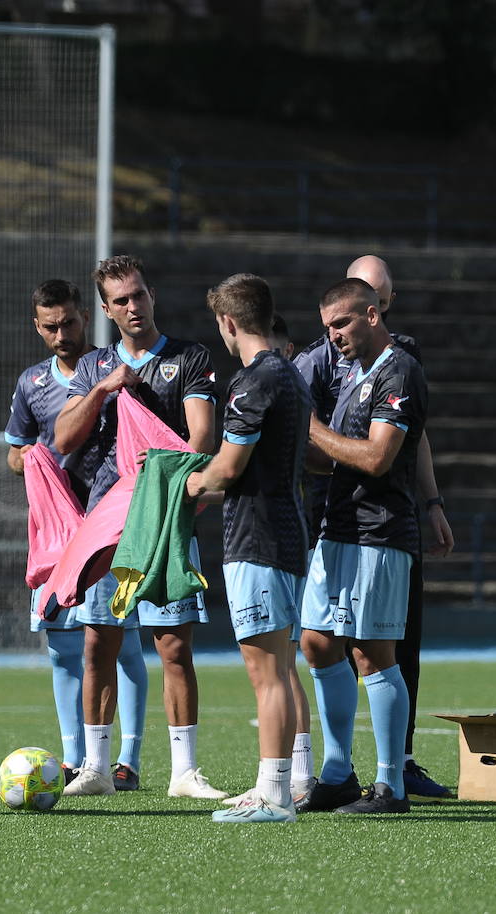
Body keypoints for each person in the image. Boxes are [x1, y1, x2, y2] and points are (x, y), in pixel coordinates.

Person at [55, 254, 227, 800]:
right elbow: (62, 438)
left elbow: (201, 439)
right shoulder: (91, 366)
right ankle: (97, 769)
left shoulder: (189, 357)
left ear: (151, 294)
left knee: (174, 646)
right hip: (106, 526)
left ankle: (184, 772)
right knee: (97, 646)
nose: (133, 306)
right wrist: (104, 389)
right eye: (120, 300)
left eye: (139, 295)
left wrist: (167, 492)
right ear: (105, 309)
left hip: (164, 521)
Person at [4, 279, 150, 787]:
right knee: (63, 648)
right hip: (58, 528)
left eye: (68, 322)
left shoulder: (114, 366)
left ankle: (127, 759)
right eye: (50, 326)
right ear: (37, 326)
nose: (61, 333)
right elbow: (15, 448)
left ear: (86, 316)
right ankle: (74, 757)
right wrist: (27, 460)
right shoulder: (31, 383)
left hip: (110, 521)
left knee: (122, 643)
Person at [299, 277, 428, 814]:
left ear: (372, 315)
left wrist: (309, 426)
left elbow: (376, 458)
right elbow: (329, 457)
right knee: (317, 641)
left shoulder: (399, 370)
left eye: (341, 324)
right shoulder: (354, 374)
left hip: (380, 529)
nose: (333, 337)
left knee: (372, 654)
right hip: (340, 524)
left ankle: (390, 783)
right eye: (327, 328)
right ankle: (336, 773)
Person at [187, 274, 312, 823]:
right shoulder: (291, 374)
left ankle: (273, 794)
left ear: (229, 322)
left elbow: (229, 467)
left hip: (257, 541)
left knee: (266, 675)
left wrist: (191, 485)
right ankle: (284, 786)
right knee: (282, 670)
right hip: (285, 533)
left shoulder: (251, 380)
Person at [345, 254, 455, 799]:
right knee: (327, 645)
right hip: (334, 523)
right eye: (365, 297)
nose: (374, 309)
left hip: (388, 521)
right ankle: (333, 769)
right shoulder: (324, 358)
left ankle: (399, 764)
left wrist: (432, 501)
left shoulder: (401, 359)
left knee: (397, 643)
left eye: (382, 300)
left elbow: (412, 440)